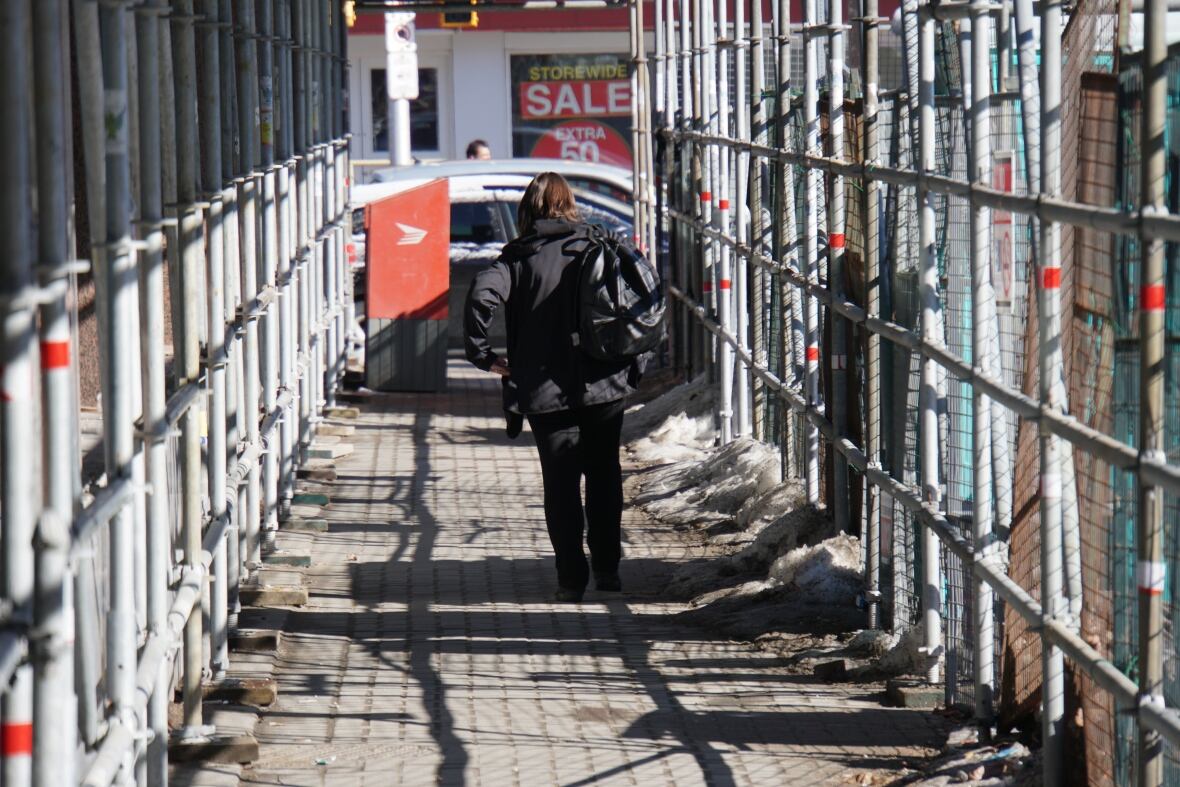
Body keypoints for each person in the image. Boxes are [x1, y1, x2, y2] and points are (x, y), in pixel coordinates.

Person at [464, 173, 645, 603]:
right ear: (570, 204)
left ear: (528, 208)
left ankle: (570, 579)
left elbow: (479, 297)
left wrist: (485, 356)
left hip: (546, 390)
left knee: (560, 483)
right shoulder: (599, 244)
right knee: (604, 473)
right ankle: (608, 570)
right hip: (604, 382)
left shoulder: (517, 258)